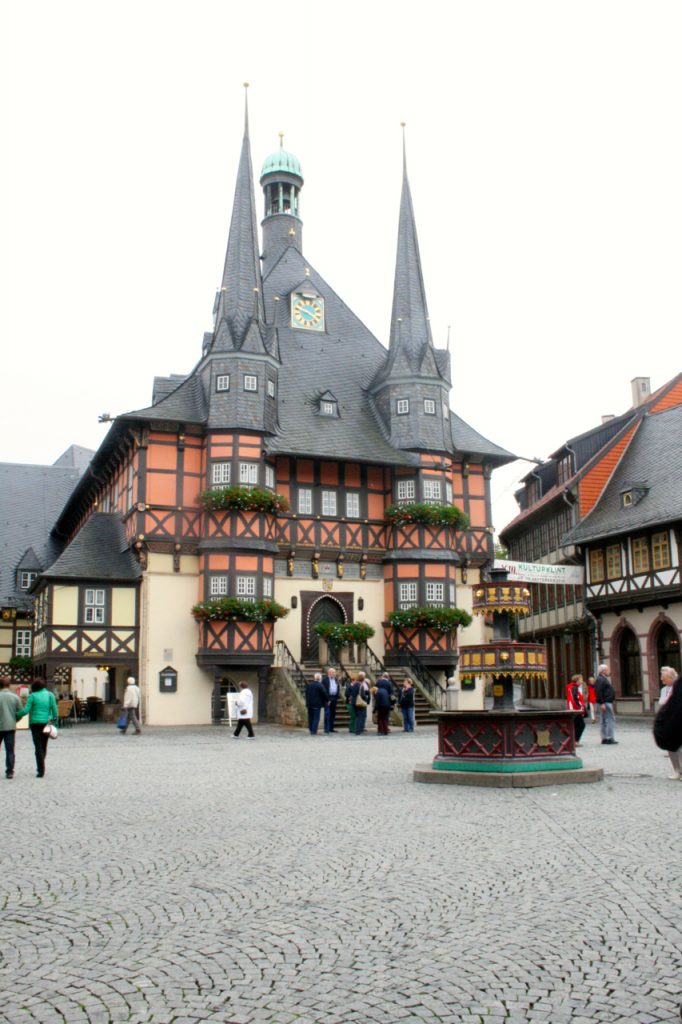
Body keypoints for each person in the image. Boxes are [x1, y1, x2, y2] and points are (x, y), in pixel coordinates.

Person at [16, 679, 58, 778]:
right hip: (46, 723)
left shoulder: (32, 696)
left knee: (37, 746)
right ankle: (42, 763)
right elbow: (55, 710)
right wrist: (53, 720)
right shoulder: (50, 695)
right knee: (44, 745)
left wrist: (16, 715)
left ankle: (40, 769)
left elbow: (26, 710)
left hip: (35, 723)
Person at [654, 666, 682, 780]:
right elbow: (662, 702)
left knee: (678, 747)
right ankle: (677, 770)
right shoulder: (664, 689)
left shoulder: (678, 687)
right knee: (670, 747)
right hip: (668, 720)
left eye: (664, 678)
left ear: (671, 677)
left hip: (678, 719)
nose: (662, 680)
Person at [0, 678, 22, 779]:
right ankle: (10, 771)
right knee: (10, 750)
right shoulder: (15, 697)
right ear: (9, 685)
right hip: (10, 726)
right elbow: (20, 712)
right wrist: (15, 719)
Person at [595, 663, 617, 744]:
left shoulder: (601, 679)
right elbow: (599, 692)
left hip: (604, 702)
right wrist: (602, 703)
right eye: (607, 670)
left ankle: (604, 738)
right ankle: (609, 737)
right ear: (603, 671)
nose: (609, 671)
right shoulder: (601, 679)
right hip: (606, 702)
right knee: (609, 720)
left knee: (604, 720)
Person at [566, 673, 586, 746]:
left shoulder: (573, 687)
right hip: (576, 710)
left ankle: (572, 740)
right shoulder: (574, 688)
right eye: (581, 679)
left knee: (575, 725)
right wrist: (579, 707)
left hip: (574, 710)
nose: (582, 681)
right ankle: (575, 741)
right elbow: (574, 699)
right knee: (581, 725)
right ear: (577, 680)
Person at [321, 667, 339, 733]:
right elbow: (323, 691)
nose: (334, 674)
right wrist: (327, 699)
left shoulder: (336, 680)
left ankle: (331, 728)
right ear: (329, 673)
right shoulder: (325, 680)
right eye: (332, 672)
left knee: (333, 713)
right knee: (327, 714)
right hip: (327, 698)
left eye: (334, 672)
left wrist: (336, 697)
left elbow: (338, 688)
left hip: (334, 698)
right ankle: (326, 728)